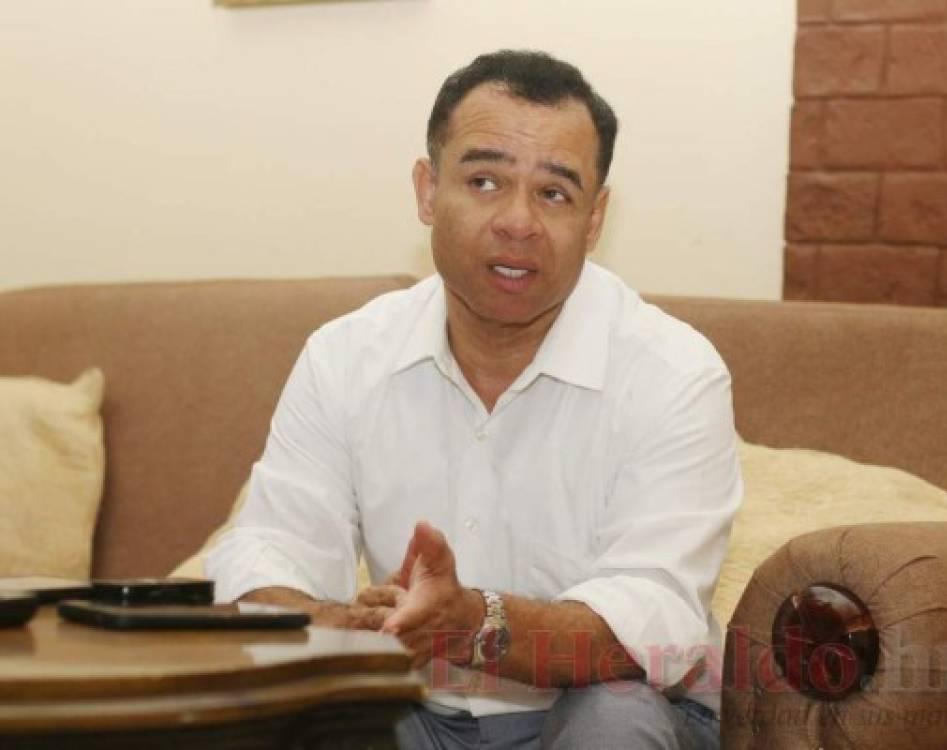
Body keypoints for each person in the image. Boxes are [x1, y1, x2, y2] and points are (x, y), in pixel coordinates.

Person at [206, 49, 742, 750]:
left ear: (594, 219)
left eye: (554, 193)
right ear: (428, 191)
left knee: (614, 716)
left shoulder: (674, 372)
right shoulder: (345, 355)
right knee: (303, 710)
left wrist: (470, 624)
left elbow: (650, 617)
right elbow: (272, 546)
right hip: (413, 707)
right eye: (484, 181)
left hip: (608, 707)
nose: (518, 221)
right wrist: (337, 624)